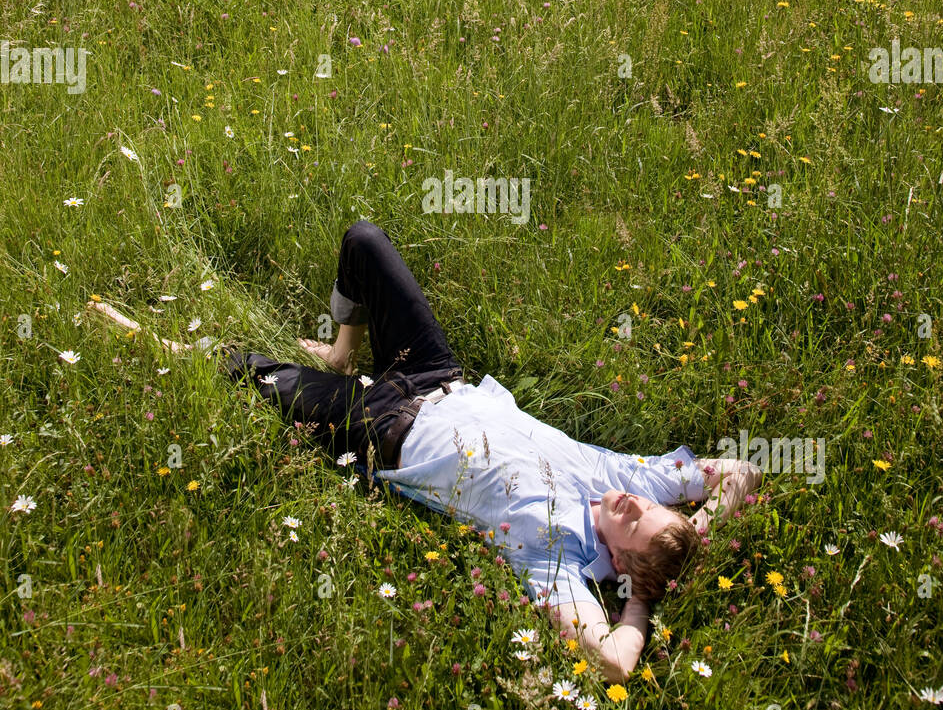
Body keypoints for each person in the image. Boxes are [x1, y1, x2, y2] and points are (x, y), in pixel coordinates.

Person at [89, 221, 762, 682]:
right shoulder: (619, 478)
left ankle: (156, 345)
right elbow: (741, 471)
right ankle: (342, 347)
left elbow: (611, 662)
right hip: (435, 376)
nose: (630, 503)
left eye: (633, 522)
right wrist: (696, 526)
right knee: (364, 241)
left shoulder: (554, 558)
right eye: (647, 505)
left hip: (382, 427)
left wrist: (638, 603)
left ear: (615, 560)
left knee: (253, 376)